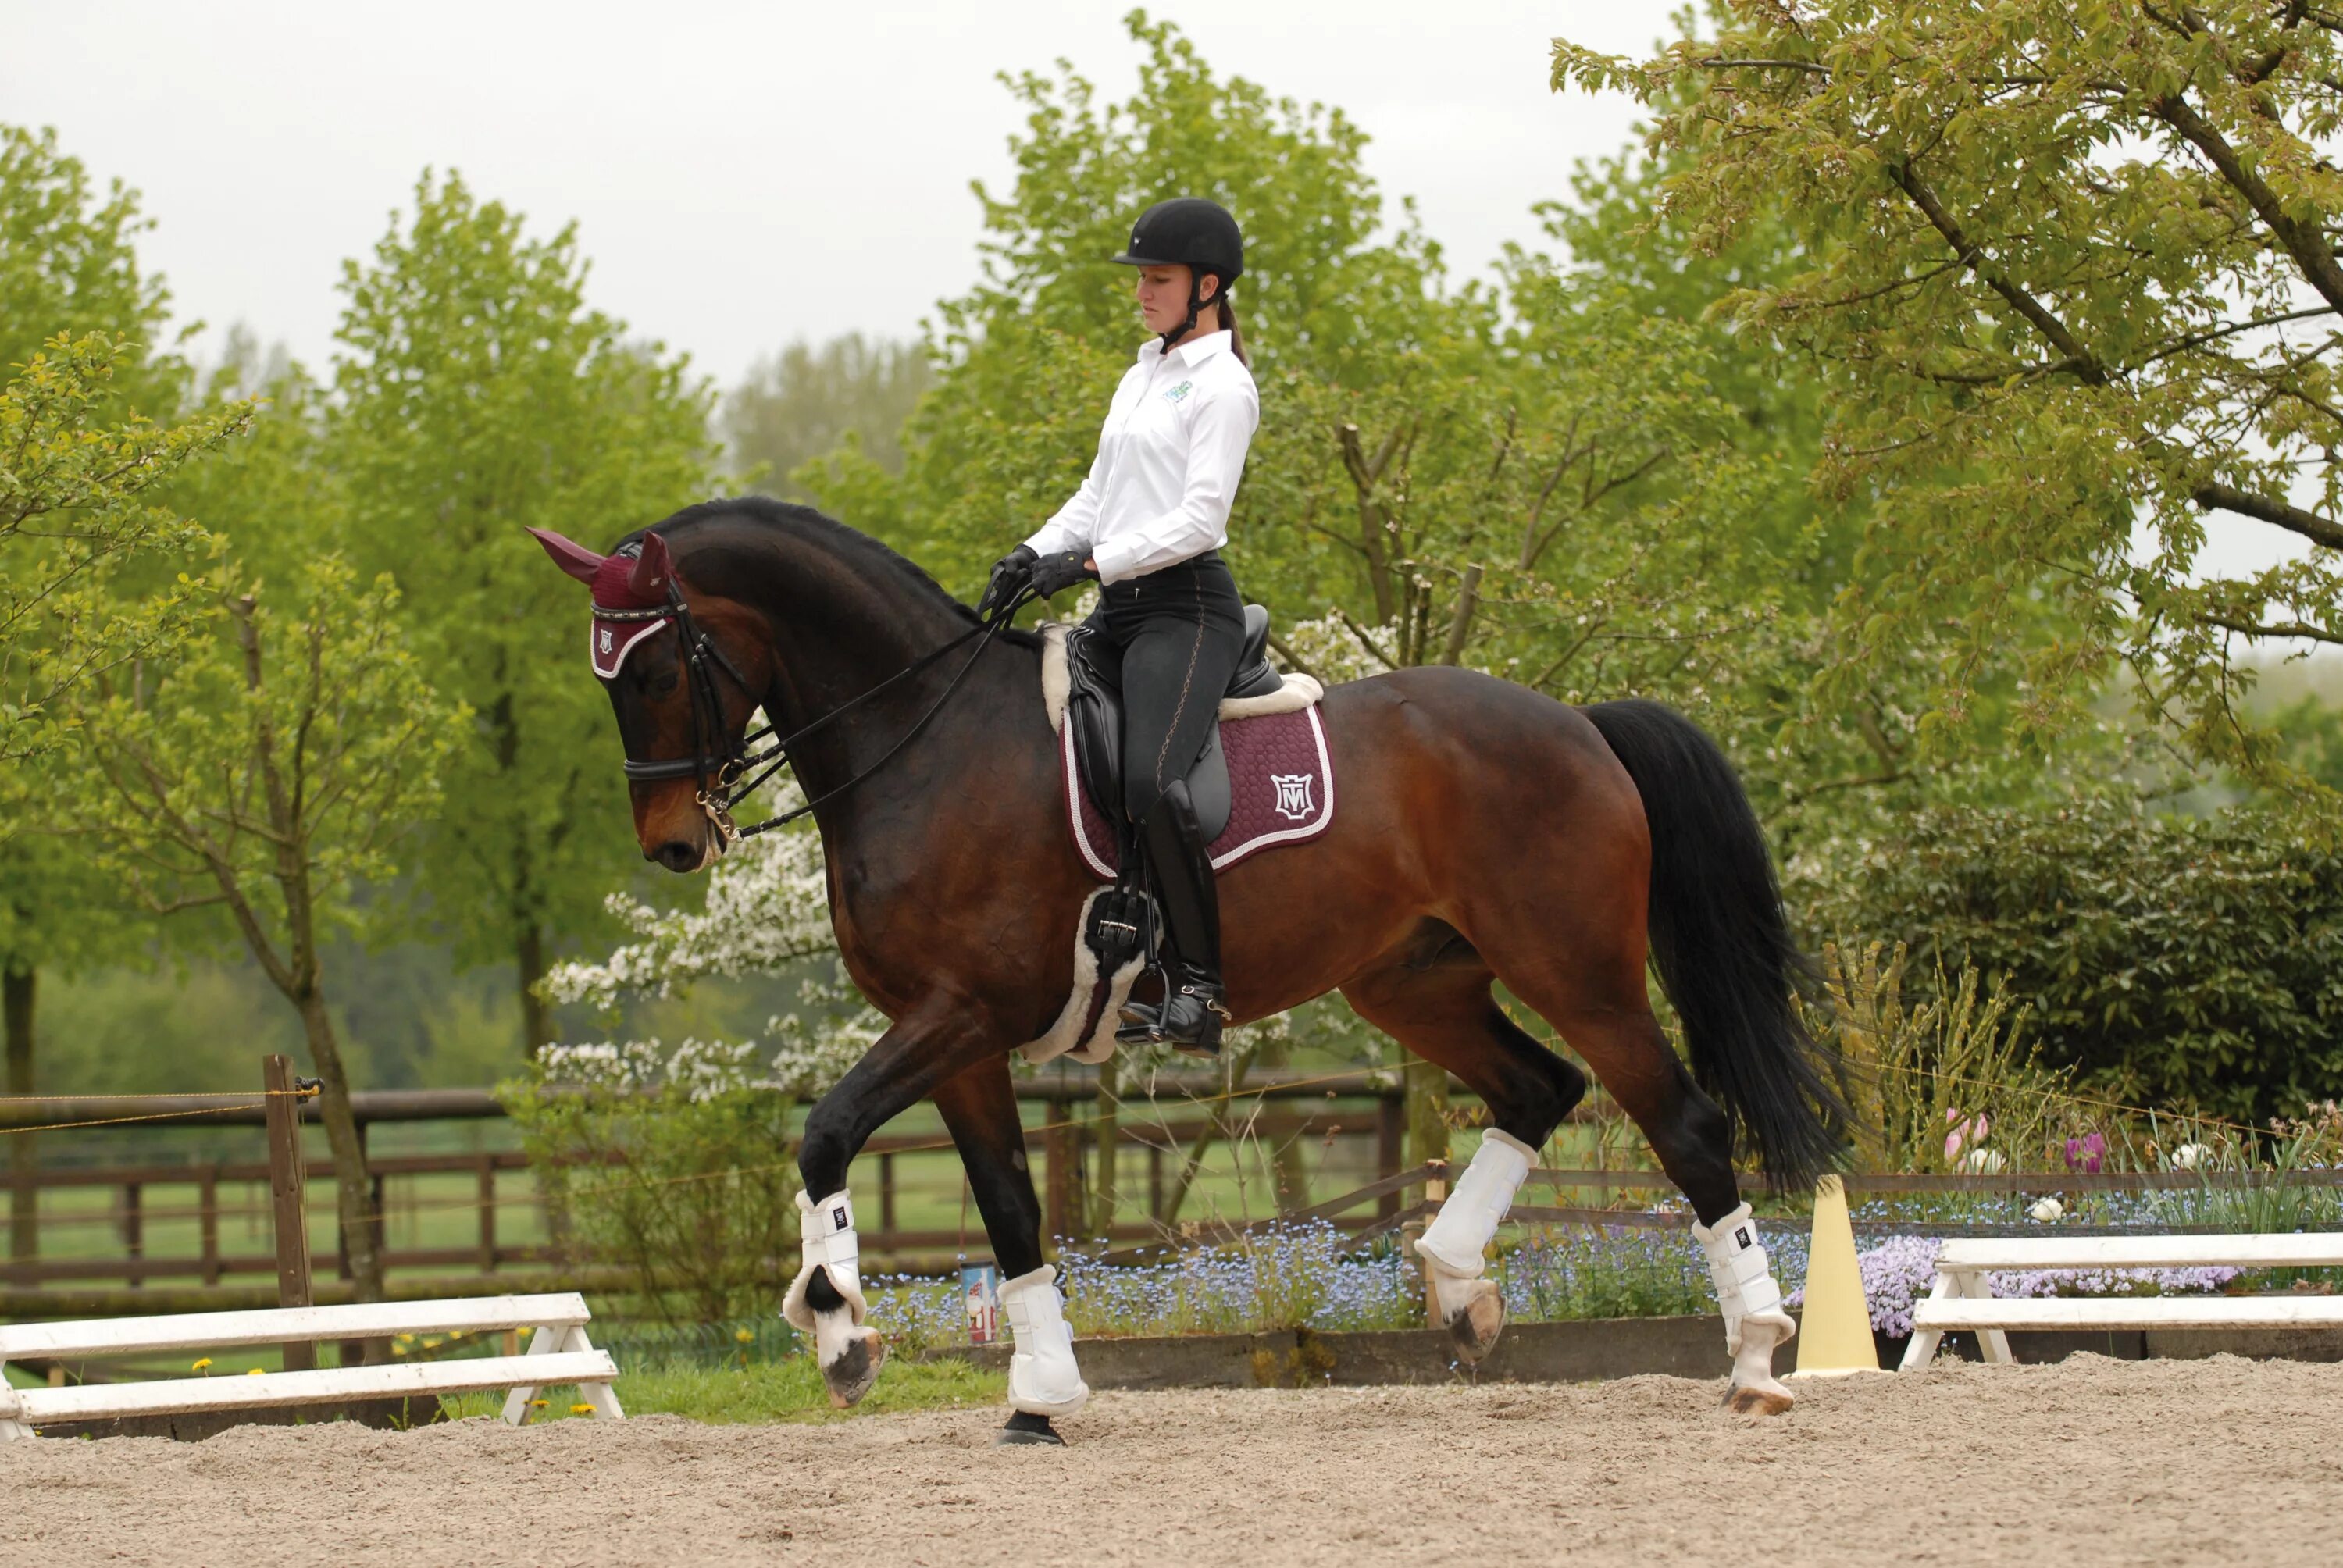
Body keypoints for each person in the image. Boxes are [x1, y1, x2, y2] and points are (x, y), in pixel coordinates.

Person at [977, 196, 1258, 1057]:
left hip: (1187, 610)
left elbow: (1201, 519)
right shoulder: (1143, 373)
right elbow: (1100, 495)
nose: (1142, 290)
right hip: (1119, 612)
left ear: (1207, 287)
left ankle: (1201, 987)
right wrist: (1034, 551)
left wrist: (1092, 563)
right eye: (1141, 276)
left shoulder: (1223, 385)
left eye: (1158, 278)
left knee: (1147, 782)